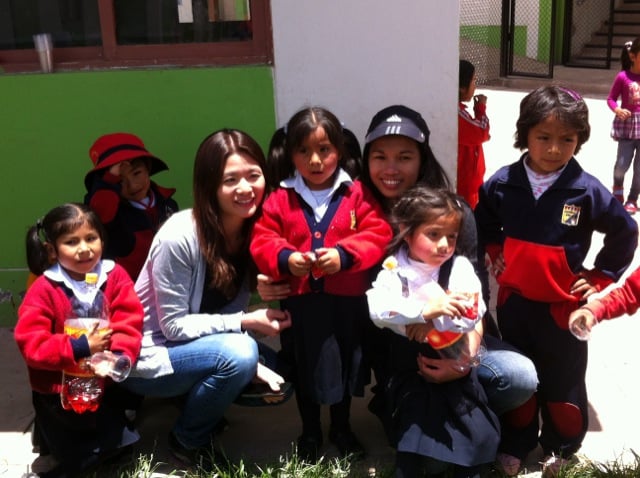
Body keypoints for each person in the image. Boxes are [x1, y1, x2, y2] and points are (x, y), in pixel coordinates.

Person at [258, 104, 538, 474]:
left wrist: (463, 360)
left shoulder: (450, 214)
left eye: (404, 157)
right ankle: (394, 401)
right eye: (381, 157)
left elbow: (475, 301)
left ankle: (476, 415)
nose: (391, 168)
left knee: (517, 376)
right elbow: (272, 241)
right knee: (409, 440)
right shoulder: (355, 207)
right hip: (391, 349)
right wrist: (275, 274)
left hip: (448, 336)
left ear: (422, 159)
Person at [475, 86, 638, 477]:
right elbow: (482, 222)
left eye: (567, 139)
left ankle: (561, 447)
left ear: (579, 140)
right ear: (525, 135)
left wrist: (599, 277)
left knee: (562, 382)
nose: (554, 149)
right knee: (521, 380)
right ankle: (517, 442)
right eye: (543, 138)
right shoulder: (502, 183)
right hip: (513, 303)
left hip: (563, 308)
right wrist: (495, 250)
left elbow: (624, 230)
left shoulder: (586, 190)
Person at [118, 129, 292, 470]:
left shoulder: (251, 229)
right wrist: (244, 327)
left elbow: (231, 307)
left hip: (195, 345)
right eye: (231, 180)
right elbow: (172, 326)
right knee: (240, 356)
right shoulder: (179, 236)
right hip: (145, 353)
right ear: (209, 184)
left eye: (253, 176)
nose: (245, 188)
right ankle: (187, 440)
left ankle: (194, 397)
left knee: (281, 372)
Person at [250, 107, 393, 461]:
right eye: (304, 151)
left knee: (344, 366)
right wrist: (286, 259)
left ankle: (342, 428)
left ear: (340, 151)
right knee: (305, 366)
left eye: (325, 150)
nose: (315, 161)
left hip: (347, 305)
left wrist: (345, 255)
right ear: (291, 153)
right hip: (302, 305)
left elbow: (378, 232)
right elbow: (263, 239)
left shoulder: (357, 193)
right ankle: (310, 431)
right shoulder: (280, 198)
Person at [366, 186, 499, 478]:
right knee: (414, 442)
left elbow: (471, 313)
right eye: (434, 234)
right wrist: (422, 311)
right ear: (407, 231)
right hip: (410, 367)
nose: (444, 245)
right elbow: (379, 311)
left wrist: (437, 320)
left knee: (471, 435)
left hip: (454, 357)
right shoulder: (394, 269)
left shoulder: (459, 267)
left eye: (451, 236)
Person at [15, 203, 143, 477]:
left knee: (105, 433)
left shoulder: (114, 276)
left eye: (91, 238)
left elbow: (129, 321)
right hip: (56, 390)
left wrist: (117, 356)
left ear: (102, 239)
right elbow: (31, 344)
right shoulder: (43, 289)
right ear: (52, 249)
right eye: (71, 242)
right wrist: (82, 346)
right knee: (73, 445)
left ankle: (103, 448)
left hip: (102, 382)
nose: (84, 248)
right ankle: (80, 457)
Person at [84, 132, 179, 280]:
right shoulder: (111, 213)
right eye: (120, 180)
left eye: (137, 173)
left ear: (148, 169)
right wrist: (109, 179)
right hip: (127, 290)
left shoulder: (168, 205)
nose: (132, 185)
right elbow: (100, 211)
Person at [607, 38, 640, 214]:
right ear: (633, 56)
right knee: (622, 164)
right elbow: (611, 99)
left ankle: (633, 199)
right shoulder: (623, 77)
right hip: (628, 128)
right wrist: (618, 110)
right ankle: (618, 190)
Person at [458, 59, 490, 209]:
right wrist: (481, 108)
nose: (475, 86)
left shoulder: (460, 112)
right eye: (474, 81)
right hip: (464, 186)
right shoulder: (457, 114)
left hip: (469, 184)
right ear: (463, 88)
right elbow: (481, 132)